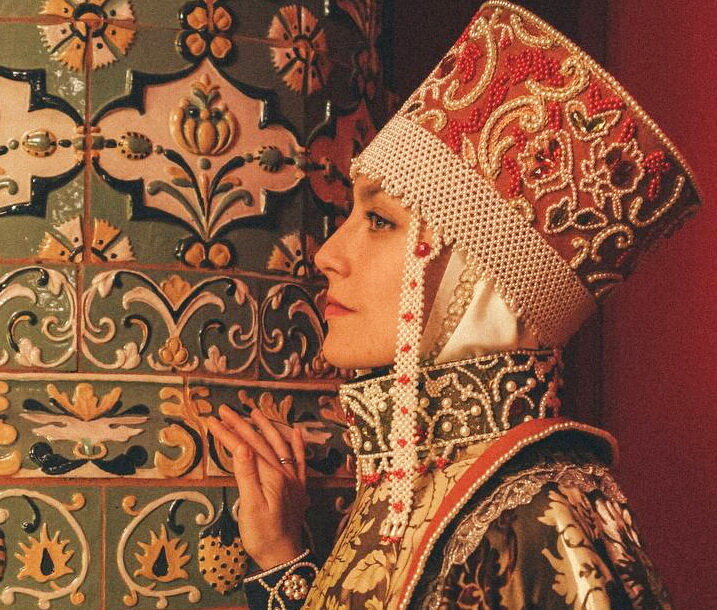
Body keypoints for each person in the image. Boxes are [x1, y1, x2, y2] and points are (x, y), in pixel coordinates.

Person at [207, 1, 702, 608]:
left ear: (481, 283)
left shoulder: (532, 514)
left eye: (380, 221)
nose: (328, 255)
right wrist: (282, 560)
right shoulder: (426, 481)